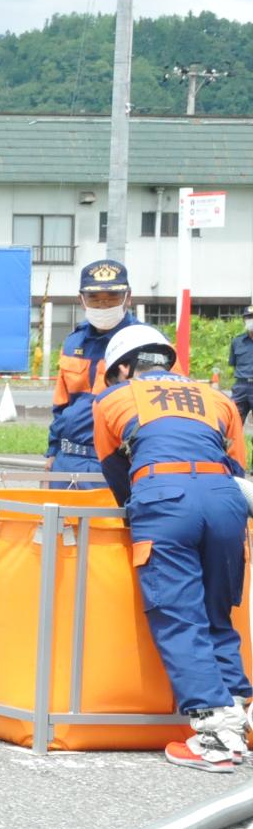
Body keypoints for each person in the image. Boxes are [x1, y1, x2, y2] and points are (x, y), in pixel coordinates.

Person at [93, 323, 253, 772]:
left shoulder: (113, 398)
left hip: (164, 499)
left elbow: (113, 470)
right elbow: (238, 466)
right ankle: (238, 716)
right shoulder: (218, 399)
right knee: (217, 610)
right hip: (225, 500)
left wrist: (136, 507)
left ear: (124, 367)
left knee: (178, 613)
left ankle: (214, 734)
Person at [48, 259, 137, 477]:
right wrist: (52, 451)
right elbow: (61, 404)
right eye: (94, 299)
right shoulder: (73, 343)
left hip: (116, 461)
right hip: (67, 459)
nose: (103, 306)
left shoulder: (147, 343)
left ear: (128, 298)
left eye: (112, 298)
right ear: (81, 300)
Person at [230, 306, 253, 422]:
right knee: (234, 420)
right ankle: (235, 441)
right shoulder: (237, 342)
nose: (251, 320)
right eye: (248, 317)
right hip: (241, 387)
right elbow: (234, 364)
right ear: (244, 320)